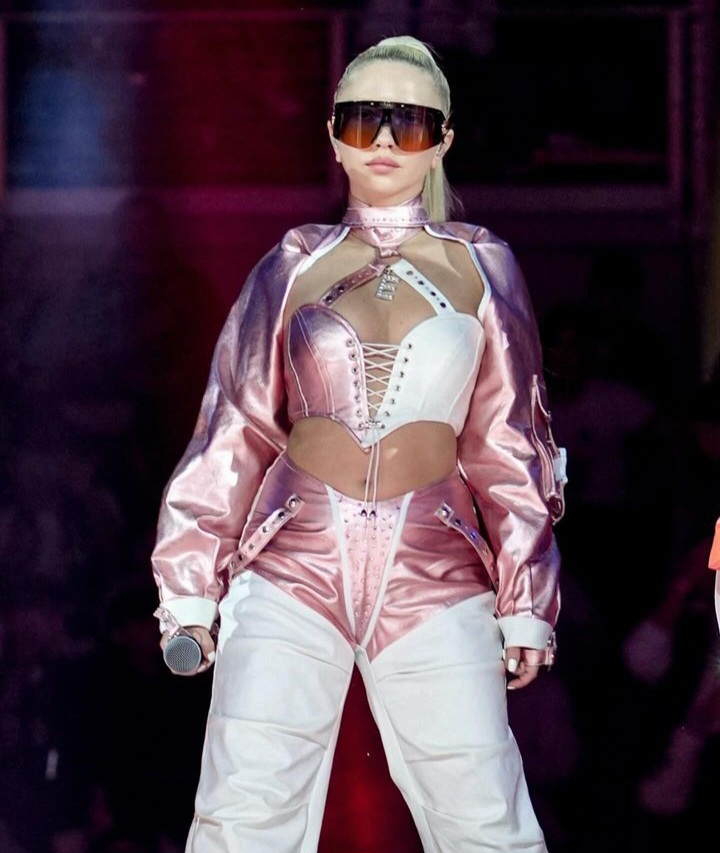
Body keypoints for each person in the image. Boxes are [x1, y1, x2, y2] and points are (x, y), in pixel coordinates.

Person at [151, 35, 567, 853]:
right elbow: (234, 424)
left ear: (442, 141)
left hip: (433, 565)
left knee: (484, 813)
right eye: (362, 119)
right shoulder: (290, 264)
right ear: (333, 136)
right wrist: (190, 589)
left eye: (407, 123)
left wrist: (527, 599)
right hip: (291, 559)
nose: (382, 140)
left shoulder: (484, 266)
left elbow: (509, 439)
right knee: (243, 809)